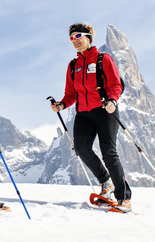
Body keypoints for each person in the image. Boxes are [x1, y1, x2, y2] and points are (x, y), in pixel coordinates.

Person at [50, 23, 132, 213]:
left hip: (105, 111)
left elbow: (115, 84)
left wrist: (112, 100)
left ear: (88, 37)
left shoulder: (103, 59)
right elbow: (71, 94)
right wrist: (61, 104)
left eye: (78, 36)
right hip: (84, 114)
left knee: (108, 153)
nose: (75, 40)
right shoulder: (73, 66)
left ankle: (124, 198)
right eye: (71, 38)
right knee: (80, 148)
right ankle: (105, 181)